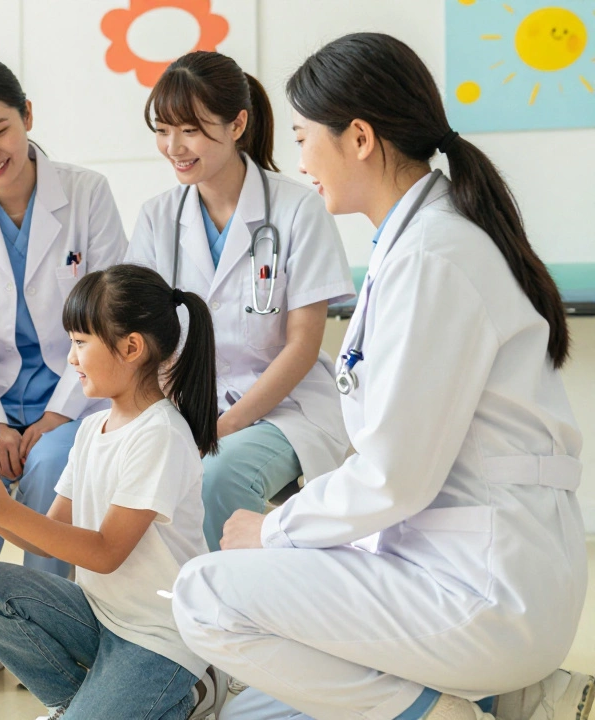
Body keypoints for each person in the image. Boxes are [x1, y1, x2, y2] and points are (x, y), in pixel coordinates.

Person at [171, 33, 592, 720]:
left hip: (484, 587)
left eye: (305, 136)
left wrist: (271, 533)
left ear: (359, 137)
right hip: (464, 564)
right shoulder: (422, 239)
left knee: (204, 595)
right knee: (252, 715)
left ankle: (447, 712)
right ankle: (515, 698)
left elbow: (394, 475)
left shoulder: (435, 255)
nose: (300, 158)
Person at [0, 57, 128, 688]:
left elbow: (108, 311)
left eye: (0, 130)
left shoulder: (86, 193)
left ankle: (37, 625)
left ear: (27, 117)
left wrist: (59, 412)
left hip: (78, 395)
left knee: (51, 464)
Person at [0, 264, 227, 720]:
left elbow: (104, 553)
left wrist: (3, 512)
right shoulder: (91, 429)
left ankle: (191, 691)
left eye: (80, 343)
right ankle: (82, 705)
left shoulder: (160, 434)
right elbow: (51, 532)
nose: (71, 360)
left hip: (160, 638)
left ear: (131, 348)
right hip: (100, 618)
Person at [126, 51, 354, 551]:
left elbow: (301, 346)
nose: (173, 147)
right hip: (185, 405)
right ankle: (164, 617)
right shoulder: (157, 218)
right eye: (163, 130)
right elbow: (144, 338)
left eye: (190, 129)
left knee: (215, 476)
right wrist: (171, 417)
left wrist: (222, 425)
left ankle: (229, 619)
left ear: (237, 124)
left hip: (284, 409)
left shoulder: (298, 209)